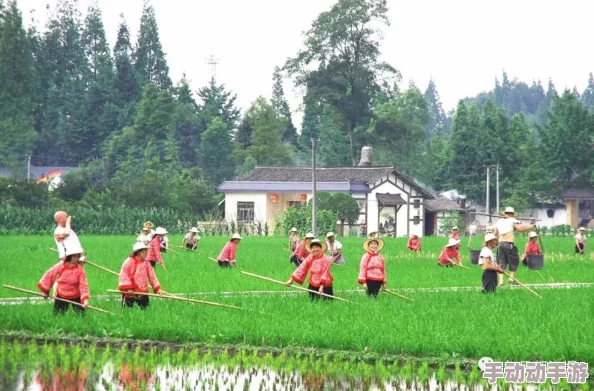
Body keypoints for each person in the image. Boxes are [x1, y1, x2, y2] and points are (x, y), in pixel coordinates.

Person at [37, 244, 89, 315]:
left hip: (76, 295)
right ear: (68, 256)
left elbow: (84, 285)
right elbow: (49, 275)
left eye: (78, 256)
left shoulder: (80, 270)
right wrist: (45, 292)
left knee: (81, 316)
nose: (76, 258)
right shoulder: (60, 266)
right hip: (61, 294)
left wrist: (85, 300)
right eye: (74, 256)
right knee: (58, 316)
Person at [493, 207, 536, 286]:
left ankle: (501, 281)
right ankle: (511, 279)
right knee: (514, 261)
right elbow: (521, 229)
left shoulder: (499, 221)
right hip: (509, 244)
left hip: (500, 244)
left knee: (501, 263)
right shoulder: (513, 220)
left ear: (505, 213)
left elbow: (495, 234)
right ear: (512, 214)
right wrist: (531, 226)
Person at [119, 242, 164, 309]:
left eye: (146, 250)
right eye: (144, 250)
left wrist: (158, 289)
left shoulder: (146, 263)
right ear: (138, 252)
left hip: (143, 292)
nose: (146, 252)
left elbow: (152, 276)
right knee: (128, 312)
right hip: (130, 292)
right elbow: (124, 275)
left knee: (144, 312)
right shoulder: (128, 262)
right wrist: (128, 288)